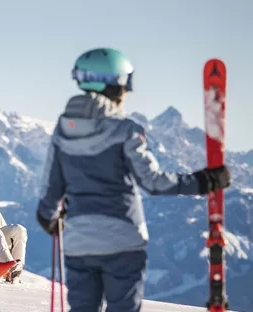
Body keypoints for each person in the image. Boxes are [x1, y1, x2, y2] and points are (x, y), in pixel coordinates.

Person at [35, 47, 232, 312]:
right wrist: (203, 181)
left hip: (78, 242)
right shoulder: (126, 130)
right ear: (117, 85)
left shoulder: (62, 130)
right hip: (123, 242)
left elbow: (51, 189)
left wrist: (49, 219)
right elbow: (153, 182)